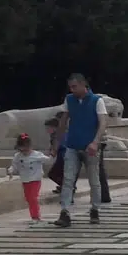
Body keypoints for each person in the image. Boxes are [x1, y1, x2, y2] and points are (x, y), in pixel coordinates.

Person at [54, 73, 108, 228]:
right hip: (72, 145)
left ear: (84, 85)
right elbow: (63, 121)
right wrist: (57, 143)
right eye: (70, 87)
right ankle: (65, 212)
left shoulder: (97, 101)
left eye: (74, 86)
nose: (72, 90)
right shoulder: (69, 100)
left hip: (90, 146)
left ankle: (95, 209)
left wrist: (95, 142)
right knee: (68, 179)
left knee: (94, 180)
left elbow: (103, 122)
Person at [7, 133, 47, 222]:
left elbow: (47, 159)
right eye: (22, 150)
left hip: (35, 179)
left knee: (33, 197)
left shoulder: (37, 155)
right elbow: (14, 165)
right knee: (28, 198)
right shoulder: (17, 156)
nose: (24, 152)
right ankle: (33, 215)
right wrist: (11, 171)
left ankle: (36, 216)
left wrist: (53, 155)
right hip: (25, 180)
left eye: (26, 150)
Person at [44, 115, 65, 194]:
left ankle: (66, 187)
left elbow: (55, 147)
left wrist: (50, 155)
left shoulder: (56, 135)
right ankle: (64, 186)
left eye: (48, 128)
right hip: (63, 156)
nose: (47, 130)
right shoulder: (56, 134)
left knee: (52, 174)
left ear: (54, 127)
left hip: (62, 157)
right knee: (61, 174)